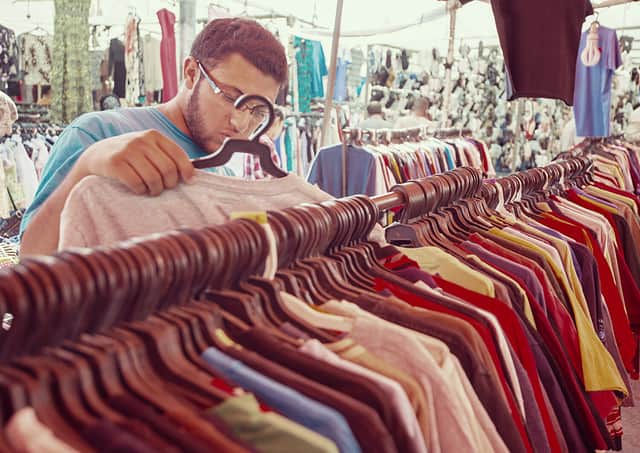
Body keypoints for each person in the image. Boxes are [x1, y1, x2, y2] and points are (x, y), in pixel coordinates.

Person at [20, 18, 288, 256]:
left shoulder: (226, 176)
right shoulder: (99, 133)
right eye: (230, 97)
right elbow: (31, 260)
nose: (241, 123)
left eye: (257, 110)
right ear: (192, 73)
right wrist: (87, 165)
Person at [244, 106, 285, 180]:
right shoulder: (265, 142)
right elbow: (258, 175)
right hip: (262, 189)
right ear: (277, 122)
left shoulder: (256, 139)